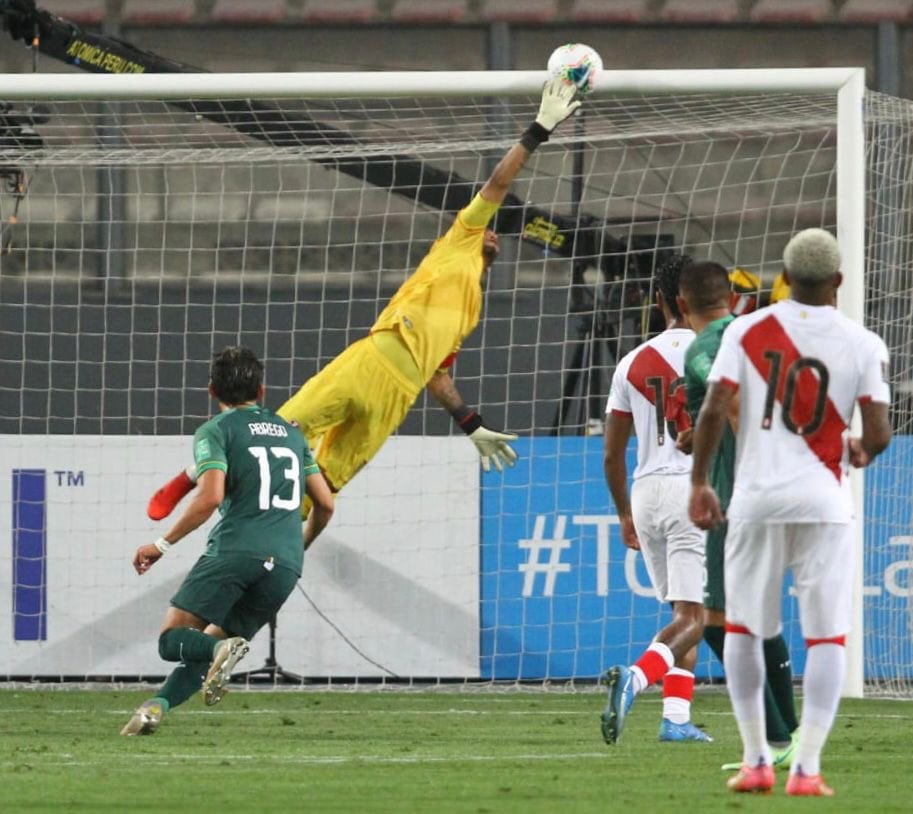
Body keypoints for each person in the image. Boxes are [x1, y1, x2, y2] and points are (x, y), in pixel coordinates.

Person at [145, 77, 585, 519]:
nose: (493, 232)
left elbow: (436, 376)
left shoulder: (471, 308)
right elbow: (497, 183)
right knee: (275, 433)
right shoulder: (459, 238)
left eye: (500, 231)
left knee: (324, 490)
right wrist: (538, 130)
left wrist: (471, 423)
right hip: (370, 362)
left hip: (397, 398)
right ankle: (188, 477)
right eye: (493, 223)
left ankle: (264, 545)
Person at [688, 229, 891, 796]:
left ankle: (756, 760)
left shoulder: (746, 331)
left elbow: (710, 409)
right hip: (824, 503)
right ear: (839, 281)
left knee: (745, 628)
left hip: (755, 499)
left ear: (784, 276)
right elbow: (878, 431)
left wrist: (700, 482)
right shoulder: (862, 342)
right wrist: (861, 448)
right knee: (826, 637)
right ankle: (807, 769)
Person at [121, 346, 334, 736]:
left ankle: (219, 651)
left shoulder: (216, 431)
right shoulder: (292, 434)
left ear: (211, 390)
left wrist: (161, 544)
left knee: (172, 641)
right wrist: (298, 547)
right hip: (285, 565)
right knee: (214, 646)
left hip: (236, 551)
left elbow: (211, 496)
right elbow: (325, 503)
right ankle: (154, 708)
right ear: (263, 389)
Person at [677, 260, 800, 770]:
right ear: (730, 294)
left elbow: (733, 402)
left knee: (715, 619)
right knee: (755, 611)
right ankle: (789, 732)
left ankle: (774, 740)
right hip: (785, 488)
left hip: (740, 497)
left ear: (681, 304)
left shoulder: (706, 347)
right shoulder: (755, 331)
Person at [599, 254, 713, 745]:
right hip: (692, 487)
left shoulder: (630, 362)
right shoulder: (717, 353)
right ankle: (637, 678)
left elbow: (610, 454)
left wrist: (625, 513)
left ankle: (677, 719)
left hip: (646, 493)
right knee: (696, 617)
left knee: (683, 615)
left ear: (661, 300)